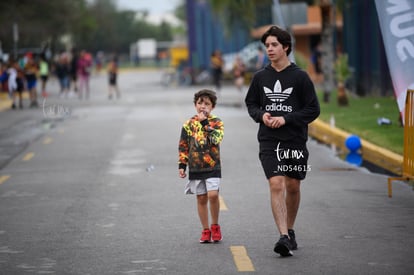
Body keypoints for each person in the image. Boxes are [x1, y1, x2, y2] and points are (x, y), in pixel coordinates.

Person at [245, 25, 320, 257]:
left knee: (293, 186)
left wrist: (286, 119)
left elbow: (313, 110)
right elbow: (251, 104)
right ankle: (283, 237)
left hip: (295, 140)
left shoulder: (300, 77)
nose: (270, 49)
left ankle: (290, 229)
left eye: (274, 45)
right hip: (269, 141)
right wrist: (262, 116)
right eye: (267, 45)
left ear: (285, 47)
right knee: (276, 183)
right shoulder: (260, 77)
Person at [178, 89, 224, 243]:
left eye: (207, 104)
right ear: (195, 105)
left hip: (213, 166)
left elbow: (216, 139)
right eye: (200, 103)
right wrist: (182, 165)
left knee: (213, 195)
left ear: (213, 107)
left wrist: (205, 122)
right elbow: (183, 145)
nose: (203, 106)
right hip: (196, 167)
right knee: (201, 198)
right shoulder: (188, 124)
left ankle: (215, 225)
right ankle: (205, 230)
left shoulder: (217, 122)